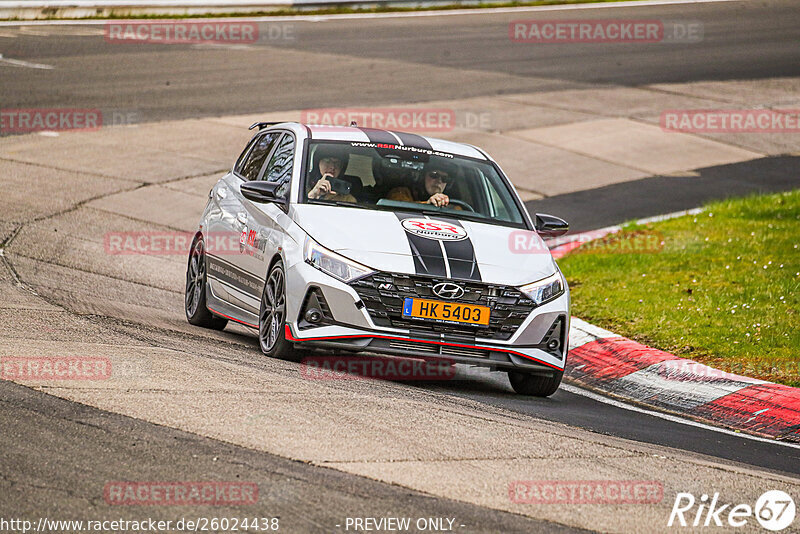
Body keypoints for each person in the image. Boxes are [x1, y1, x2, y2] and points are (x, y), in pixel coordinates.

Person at [385, 160, 458, 208]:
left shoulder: (453, 204)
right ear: (422, 177)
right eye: (434, 175)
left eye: (445, 179)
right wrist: (427, 204)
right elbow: (397, 208)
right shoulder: (401, 192)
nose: (439, 181)